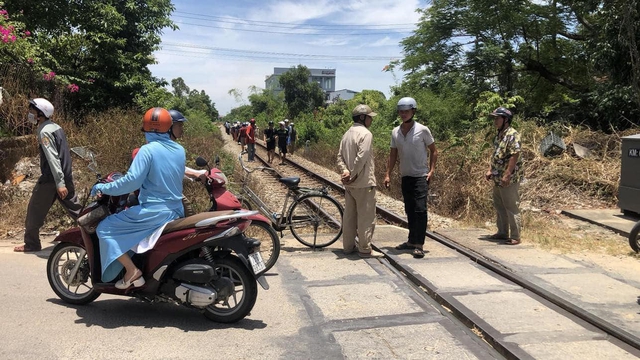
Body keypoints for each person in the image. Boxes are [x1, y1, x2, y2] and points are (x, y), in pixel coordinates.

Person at [91, 107, 186, 289]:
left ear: (148, 129)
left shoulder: (147, 150)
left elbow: (131, 182)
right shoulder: (179, 150)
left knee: (105, 228)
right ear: (167, 127)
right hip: (175, 210)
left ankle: (132, 271)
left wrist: (104, 187)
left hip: (153, 212)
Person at [15, 98, 82, 252]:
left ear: (41, 114)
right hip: (65, 175)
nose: (30, 114)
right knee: (78, 212)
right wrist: (64, 180)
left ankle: (31, 244)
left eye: (32, 111)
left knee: (34, 211)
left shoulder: (44, 131)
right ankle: (97, 235)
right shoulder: (56, 127)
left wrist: (59, 183)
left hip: (51, 180)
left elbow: (53, 158)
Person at [383, 97, 438, 259]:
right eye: (401, 111)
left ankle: (419, 244)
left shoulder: (423, 130)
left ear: (413, 111)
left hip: (421, 176)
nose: (403, 114)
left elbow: (434, 151)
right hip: (405, 176)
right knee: (409, 210)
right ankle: (411, 240)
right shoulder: (395, 132)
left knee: (420, 209)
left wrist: (432, 170)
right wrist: (387, 174)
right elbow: (393, 154)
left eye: (406, 111)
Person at [337, 105, 381, 258]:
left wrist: (345, 172)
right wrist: (353, 174)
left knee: (349, 216)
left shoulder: (347, 134)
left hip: (350, 185)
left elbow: (339, 157)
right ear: (363, 117)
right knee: (366, 217)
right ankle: (365, 249)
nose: (371, 119)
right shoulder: (366, 134)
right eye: (369, 117)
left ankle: (348, 247)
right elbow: (361, 157)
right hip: (363, 182)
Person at [485, 107, 523, 245]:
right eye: (494, 118)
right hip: (497, 176)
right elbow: (495, 154)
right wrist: (490, 170)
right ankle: (502, 232)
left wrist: (507, 174)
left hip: (508, 178)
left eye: (497, 118)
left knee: (511, 206)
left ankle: (515, 236)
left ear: (506, 119)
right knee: (499, 204)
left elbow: (514, 155)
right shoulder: (499, 135)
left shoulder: (512, 135)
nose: (495, 121)